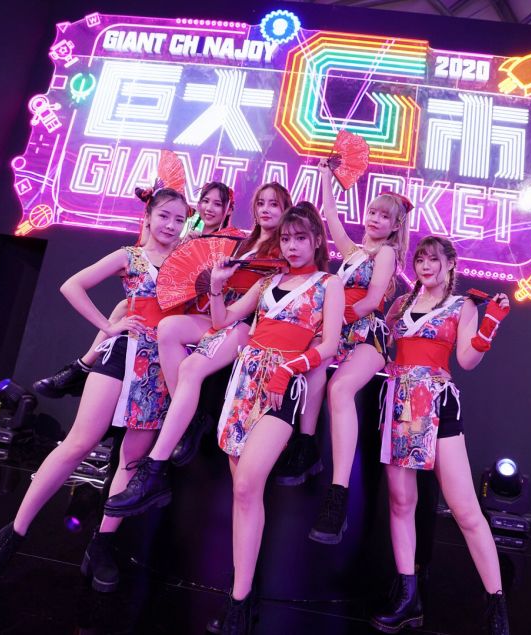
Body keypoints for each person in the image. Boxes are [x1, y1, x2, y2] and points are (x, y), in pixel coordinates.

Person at [0, 180, 190, 598]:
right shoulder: (130, 256)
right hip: (122, 354)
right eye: (164, 216)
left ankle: (101, 545)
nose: (171, 225)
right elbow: (72, 285)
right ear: (148, 217)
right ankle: (11, 536)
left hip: (160, 367)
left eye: (179, 219)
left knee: (132, 460)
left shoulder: (189, 262)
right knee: (78, 444)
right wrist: (108, 326)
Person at [102, 182, 292, 515]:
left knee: (191, 368)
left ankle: (154, 468)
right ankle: (189, 420)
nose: (265, 209)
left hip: (250, 326)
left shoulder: (283, 249)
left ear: (285, 209)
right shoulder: (242, 242)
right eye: (261, 203)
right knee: (167, 328)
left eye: (274, 204)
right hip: (221, 315)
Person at [208, 203, 343, 633]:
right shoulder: (268, 281)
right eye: (286, 239)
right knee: (243, 495)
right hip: (245, 381)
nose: (292, 246)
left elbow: (331, 345)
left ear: (317, 240)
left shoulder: (329, 284)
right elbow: (223, 321)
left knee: (248, 484)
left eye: (300, 238)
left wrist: (289, 369)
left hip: (283, 386)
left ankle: (239, 599)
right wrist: (216, 289)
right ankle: (242, 597)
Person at [370, 236, 510, 635]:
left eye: (433, 259)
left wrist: (489, 326)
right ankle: (408, 599)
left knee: (465, 509)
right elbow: (381, 345)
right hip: (399, 404)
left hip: (437, 405)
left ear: (450, 264)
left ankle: (497, 604)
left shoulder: (462, 305)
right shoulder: (401, 304)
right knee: (401, 502)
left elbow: (466, 359)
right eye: (420, 259)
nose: (425, 266)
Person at [32, 181, 235, 399]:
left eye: (217, 204)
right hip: (143, 335)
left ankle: (81, 366)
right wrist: (109, 327)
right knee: (127, 305)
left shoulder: (227, 243)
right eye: (205, 201)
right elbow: (147, 251)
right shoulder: (177, 243)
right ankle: (82, 365)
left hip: (193, 319)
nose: (209, 208)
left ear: (229, 209)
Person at [304, 160, 410, 545]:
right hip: (338, 330)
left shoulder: (386, 254)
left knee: (341, 389)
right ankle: (305, 448)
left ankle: (338, 495)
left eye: (384, 216)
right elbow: (330, 216)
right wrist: (325, 177)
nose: (375, 219)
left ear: (395, 226)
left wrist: (333, 320)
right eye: (372, 212)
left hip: (368, 333)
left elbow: (371, 300)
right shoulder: (352, 252)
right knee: (311, 368)